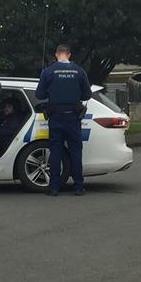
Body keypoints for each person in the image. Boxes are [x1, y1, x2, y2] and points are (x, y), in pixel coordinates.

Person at [35, 44, 91, 196]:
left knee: (55, 151)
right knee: (75, 152)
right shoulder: (79, 71)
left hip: (56, 117)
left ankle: (54, 188)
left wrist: (50, 91)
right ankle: (78, 187)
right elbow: (87, 95)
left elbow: (39, 95)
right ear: (69, 55)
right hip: (73, 117)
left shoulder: (48, 72)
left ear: (56, 55)